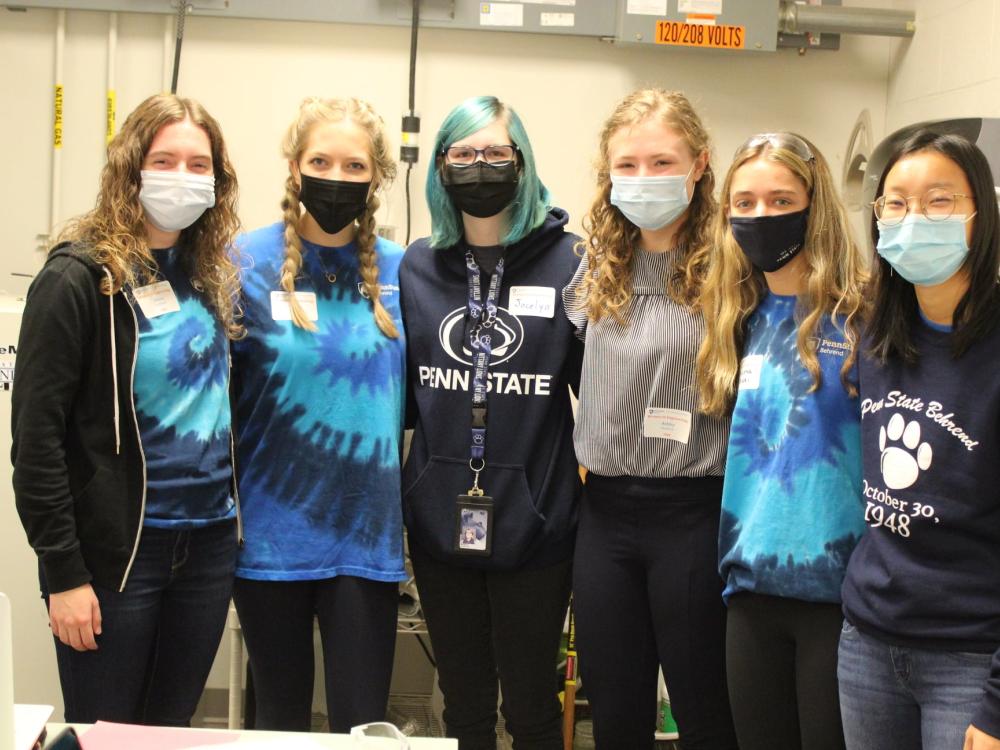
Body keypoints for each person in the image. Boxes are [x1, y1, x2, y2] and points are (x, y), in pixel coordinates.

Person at [11, 93, 242, 725]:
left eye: (200, 165)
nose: (183, 176)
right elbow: (36, 444)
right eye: (164, 159)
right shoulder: (76, 279)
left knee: (168, 733)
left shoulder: (208, 274)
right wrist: (62, 573)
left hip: (207, 545)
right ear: (130, 167)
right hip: (118, 556)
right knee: (105, 734)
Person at [400, 95, 582, 750]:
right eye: (464, 154)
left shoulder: (571, 263)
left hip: (536, 527)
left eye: (496, 154)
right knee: (464, 708)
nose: (481, 167)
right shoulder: (416, 266)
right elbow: (405, 394)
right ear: (442, 168)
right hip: (440, 524)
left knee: (532, 709)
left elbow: (597, 388)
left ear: (522, 162)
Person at [562, 88, 738, 749]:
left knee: (704, 710)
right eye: (627, 165)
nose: (644, 180)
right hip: (604, 514)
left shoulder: (733, 267)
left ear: (699, 164)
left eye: (662, 162)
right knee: (616, 716)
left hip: (693, 513)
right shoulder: (596, 264)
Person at [231, 97, 406, 732]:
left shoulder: (402, 270)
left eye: (354, 165)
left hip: (367, 538)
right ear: (295, 167)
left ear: (377, 178)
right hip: (272, 535)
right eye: (321, 161)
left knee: (363, 725)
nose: (337, 176)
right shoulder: (241, 263)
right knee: (279, 719)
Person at [695, 132, 868, 750]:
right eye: (744, 203)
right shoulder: (733, 317)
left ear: (814, 205)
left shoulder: (863, 319)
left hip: (838, 598)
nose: (760, 216)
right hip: (750, 591)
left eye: (779, 199)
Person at [839, 130, 1000, 750]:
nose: (913, 219)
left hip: (970, 657)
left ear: (979, 217)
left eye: (939, 202)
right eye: (896, 204)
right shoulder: (877, 333)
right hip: (868, 641)